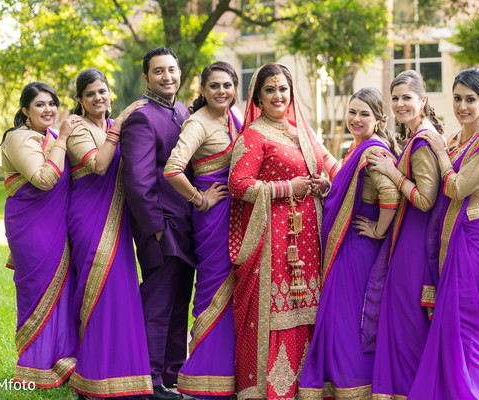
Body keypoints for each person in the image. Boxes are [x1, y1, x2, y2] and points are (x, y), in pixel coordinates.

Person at [407, 67, 479, 399]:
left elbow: (457, 188)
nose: (462, 106)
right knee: (448, 322)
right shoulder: (458, 138)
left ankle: (471, 390)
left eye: (470, 100)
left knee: (468, 320)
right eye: (457, 98)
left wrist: (442, 157)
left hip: (474, 241)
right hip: (453, 237)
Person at [228, 62, 337, 400]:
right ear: (257, 98)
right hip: (272, 240)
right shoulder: (254, 135)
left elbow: (332, 170)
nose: (278, 95)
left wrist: (324, 183)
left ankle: (309, 387)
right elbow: (238, 184)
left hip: (308, 238)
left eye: (283, 89)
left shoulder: (303, 133)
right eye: (270, 90)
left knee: (307, 304)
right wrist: (285, 187)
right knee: (278, 308)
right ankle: (269, 389)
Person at [298, 88, 400, 399]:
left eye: (364, 114)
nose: (355, 119)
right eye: (352, 112)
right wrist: (329, 186)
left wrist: (378, 230)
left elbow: (391, 195)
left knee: (348, 321)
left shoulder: (373, 152)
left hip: (357, 249)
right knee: (343, 320)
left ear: (379, 119)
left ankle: (354, 388)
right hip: (349, 246)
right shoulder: (358, 148)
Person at [66, 68, 152, 398]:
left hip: (119, 220)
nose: (98, 98)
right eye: (90, 94)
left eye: (102, 91)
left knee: (121, 293)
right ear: (80, 100)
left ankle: (123, 373)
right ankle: (92, 375)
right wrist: (121, 124)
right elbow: (99, 165)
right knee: (97, 290)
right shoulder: (78, 129)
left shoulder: (109, 126)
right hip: (90, 218)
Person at [120, 47, 196, 400]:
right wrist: (155, 228)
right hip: (160, 227)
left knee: (181, 300)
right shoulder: (141, 117)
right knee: (158, 303)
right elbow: (136, 181)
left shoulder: (181, 111)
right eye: (159, 71)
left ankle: (171, 374)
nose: (167, 76)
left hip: (187, 226)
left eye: (172, 70)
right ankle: (148, 380)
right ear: (146, 77)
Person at [163, 61, 242, 400]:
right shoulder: (198, 122)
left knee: (237, 292)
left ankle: (231, 373)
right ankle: (204, 377)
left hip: (240, 214)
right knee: (213, 292)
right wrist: (201, 199)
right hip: (214, 219)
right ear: (203, 90)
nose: (221, 91)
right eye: (214, 86)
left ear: (235, 88)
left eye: (227, 85)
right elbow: (172, 169)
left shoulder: (236, 119)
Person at [364, 69, 444, 399]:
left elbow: (425, 200)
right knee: (402, 318)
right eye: (395, 98)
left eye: (406, 98)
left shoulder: (423, 141)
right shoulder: (415, 135)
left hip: (416, 241)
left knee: (408, 321)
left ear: (423, 100)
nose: (399, 104)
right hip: (407, 236)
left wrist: (392, 174)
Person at [1, 82, 80, 388]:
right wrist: (62, 138)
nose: (48, 110)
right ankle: (34, 366)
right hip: (31, 227)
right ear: (25, 111)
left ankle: (62, 360)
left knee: (63, 291)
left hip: (58, 225)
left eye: (52, 103)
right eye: (40, 105)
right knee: (38, 291)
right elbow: (45, 179)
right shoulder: (19, 138)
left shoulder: (48, 137)